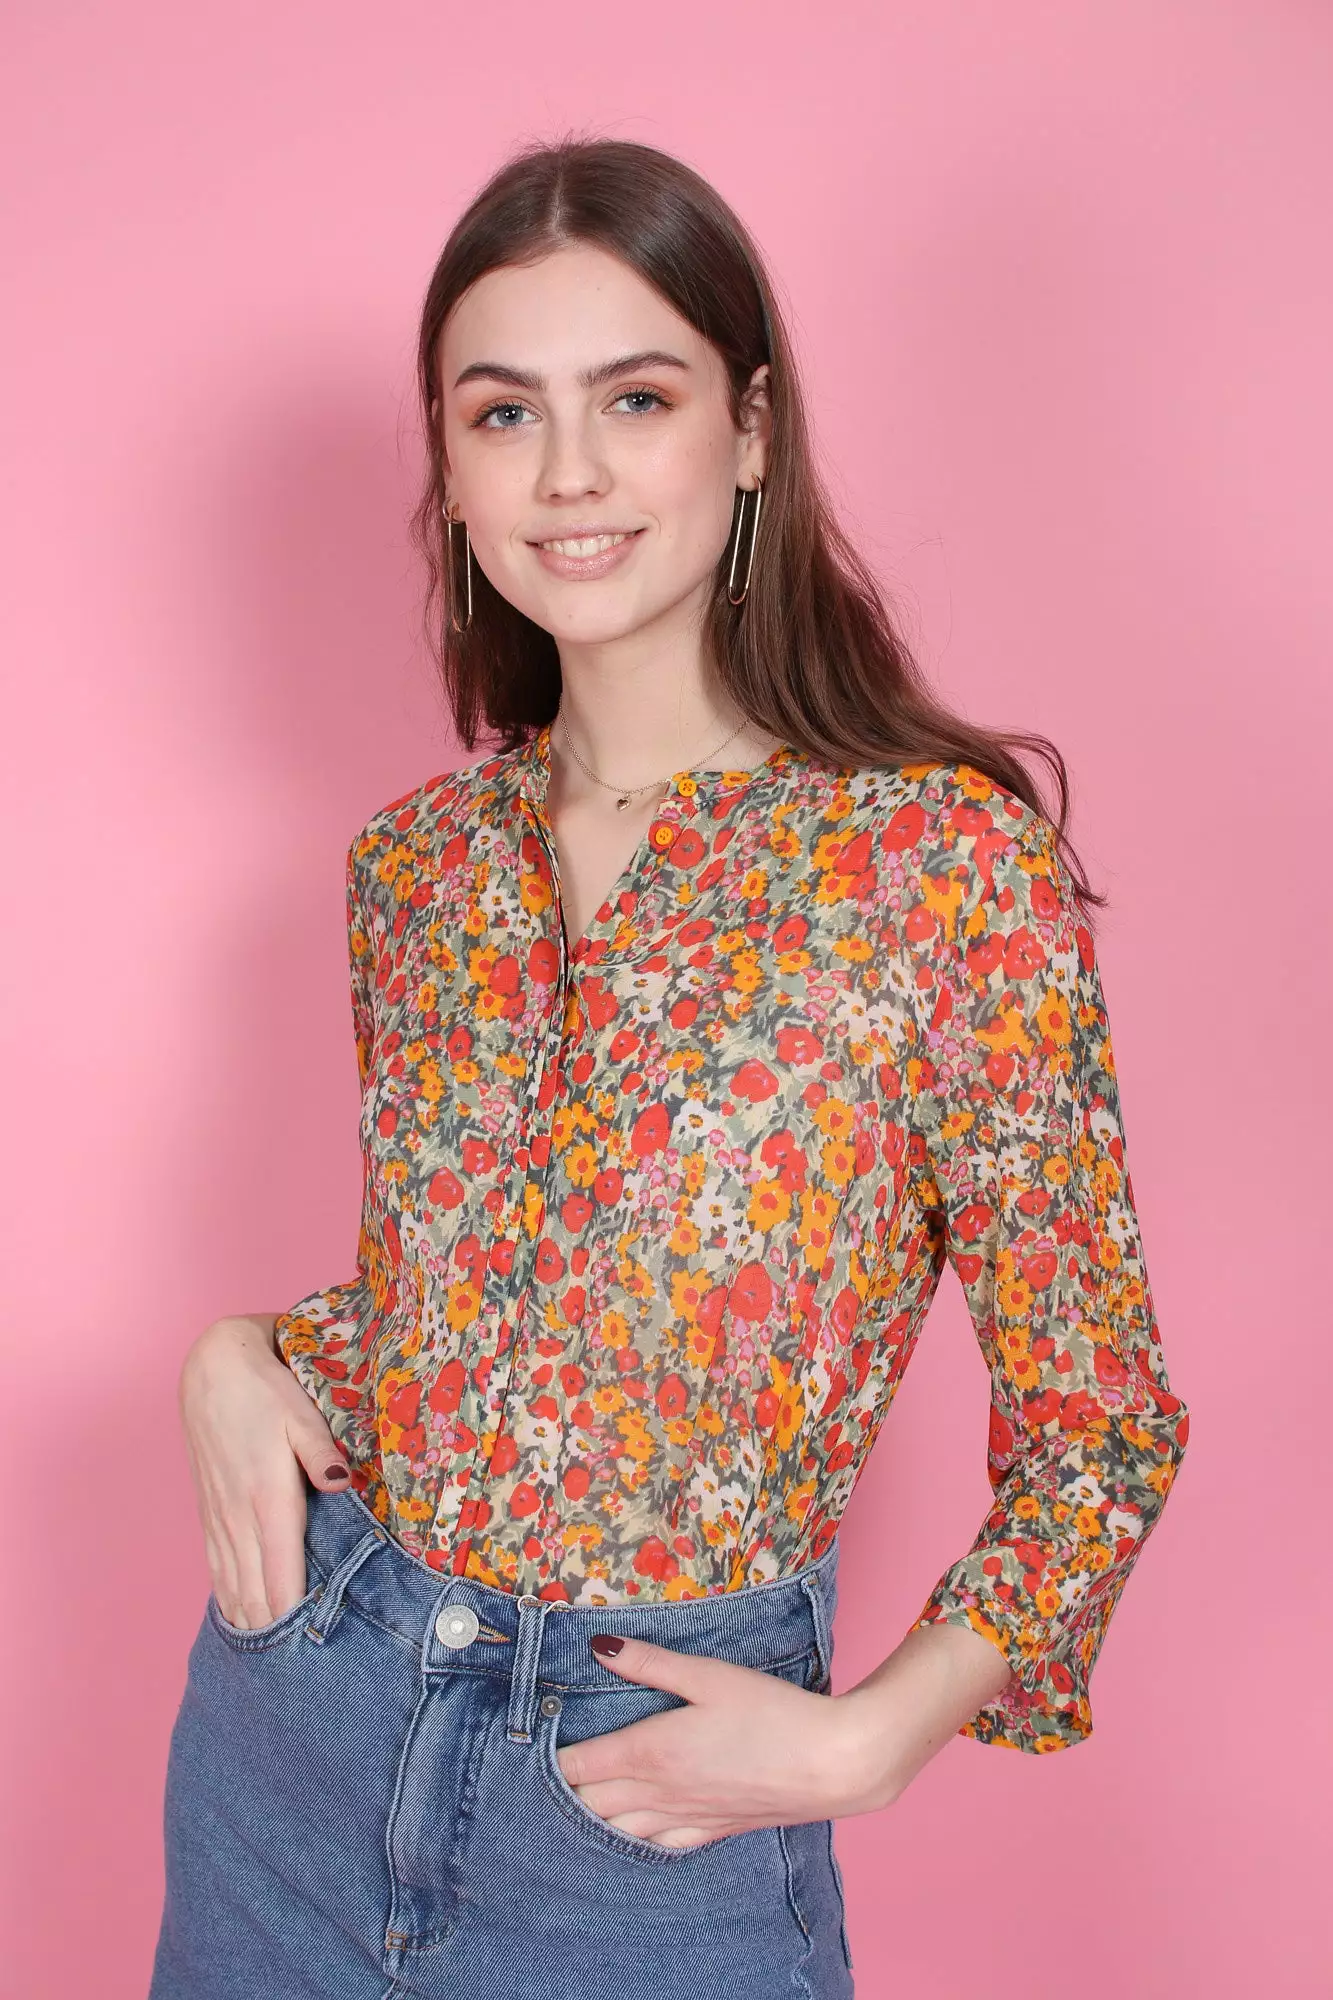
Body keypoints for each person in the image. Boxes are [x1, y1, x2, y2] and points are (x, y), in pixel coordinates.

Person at [150, 137, 1191, 2000]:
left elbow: (1100, 1429)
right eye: (503, 413)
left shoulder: (938, 869)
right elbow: (506, 1318)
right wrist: (245, 1355)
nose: (568, 473)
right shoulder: (414, 872)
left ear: (752, 428)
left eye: (634, 398)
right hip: (296, 1739)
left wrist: (871, 1739)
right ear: (450, 466)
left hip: (644, 1806)